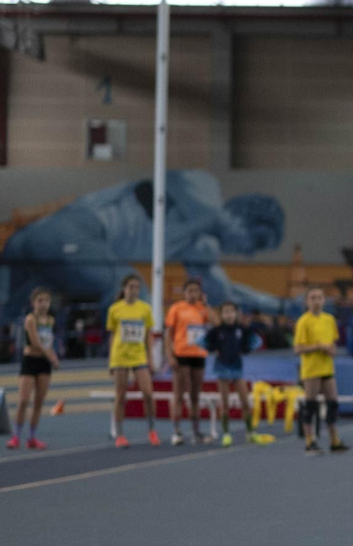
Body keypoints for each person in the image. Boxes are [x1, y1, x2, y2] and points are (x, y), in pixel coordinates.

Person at [0, 170, 291, 324]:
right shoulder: (206, 189)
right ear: (245, 221)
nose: (249, 254)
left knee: (8, 310)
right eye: (256, 243)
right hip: (71, 230)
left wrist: (279, 306)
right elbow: (173, 182)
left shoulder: (197, 244)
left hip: (34, 243)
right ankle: (131, 362)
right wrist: (212, 230)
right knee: (132, 287)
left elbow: (225, 293)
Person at [107, 274, 160, 448]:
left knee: (148, 393)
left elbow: (148, 335)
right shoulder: (115, 309)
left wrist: (150, 358)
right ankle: (120, 435)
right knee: (121, 396)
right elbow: (113, 335)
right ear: (124, 289)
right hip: (120, 356)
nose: (134, 290)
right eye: (131, 287)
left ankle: (152, 430)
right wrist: (110, 361)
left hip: (139, 356)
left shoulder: (145, 309)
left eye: (137, 287)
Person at [294, 287, 347, 455]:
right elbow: (298, 348)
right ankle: (310, 441)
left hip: (326, 367)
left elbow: (333, 344)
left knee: (333, 403)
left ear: (324, 300)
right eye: (312, 298)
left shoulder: (329, 319)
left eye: (319, 298)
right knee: (310, 405)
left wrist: (331, 350)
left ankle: (334, 440)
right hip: (311, 369)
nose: (316, 301)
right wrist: (317, 346)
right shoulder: (304, 321)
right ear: (307, 301)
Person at [205, 301, 263, 447]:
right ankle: (226, 434)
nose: (229, 315)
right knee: (224, 403)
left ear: (237, 314)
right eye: (225, 312)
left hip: (237, 368)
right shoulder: (217, 331)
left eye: (231, 311)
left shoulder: (242, 330)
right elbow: (205, 342)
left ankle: (250, 432)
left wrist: (248, 349)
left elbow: (255, 342)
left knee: (245, 401)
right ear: (222, 315)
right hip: (222, 368)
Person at [8, 288, 59, 449]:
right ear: (34, 303)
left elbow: (49, 343)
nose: (43, 304)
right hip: (30, 361)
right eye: (40, 301)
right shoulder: (30, 319)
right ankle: (16, 436)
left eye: (46, 301)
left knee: (39, 401)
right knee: (23, 400)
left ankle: (32, 437)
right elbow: (36, 343)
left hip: (44, 364)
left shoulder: (51, 320)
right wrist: (50, 356)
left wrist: (53, 356)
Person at [164, 278, 213, 446]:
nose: (193, 294)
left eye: (196, 291)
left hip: (198, 355)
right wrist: (169, 356)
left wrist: (206, 305)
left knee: (195, 396)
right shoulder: (177, 308)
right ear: (184, 292)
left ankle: (196, 431)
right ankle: (176, 431)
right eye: (190, 291)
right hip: (181, 355)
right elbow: (168, 334)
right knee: (179, 394)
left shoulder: (202, 309)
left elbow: (217, 322)